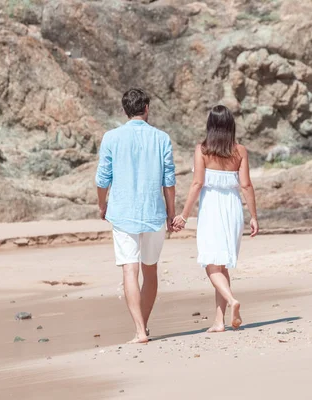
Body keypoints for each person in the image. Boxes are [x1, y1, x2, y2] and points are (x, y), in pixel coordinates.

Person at [96, 88, 176, 344]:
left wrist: (102, 205)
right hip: (154, 212)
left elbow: (102, 178)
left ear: (124, 110)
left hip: (122, 211)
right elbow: (169, 180)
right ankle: (143, 326)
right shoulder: (162, 138)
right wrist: (171, 213)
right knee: (150, 271)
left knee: (129, 269)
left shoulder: (111, 137)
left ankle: (140, 331)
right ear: (147, 108)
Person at [172, 105, 259, 332]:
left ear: (210, 125)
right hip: (232, 208)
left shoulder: (202, 149)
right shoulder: (240, 151)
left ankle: (232, 301)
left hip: (211, 208)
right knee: (222, 266)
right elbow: (246, 185)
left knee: (211, 264)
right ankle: (219, 322)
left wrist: (184, 215)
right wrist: (254, 216)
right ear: (231, 125)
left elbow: (197, 183)